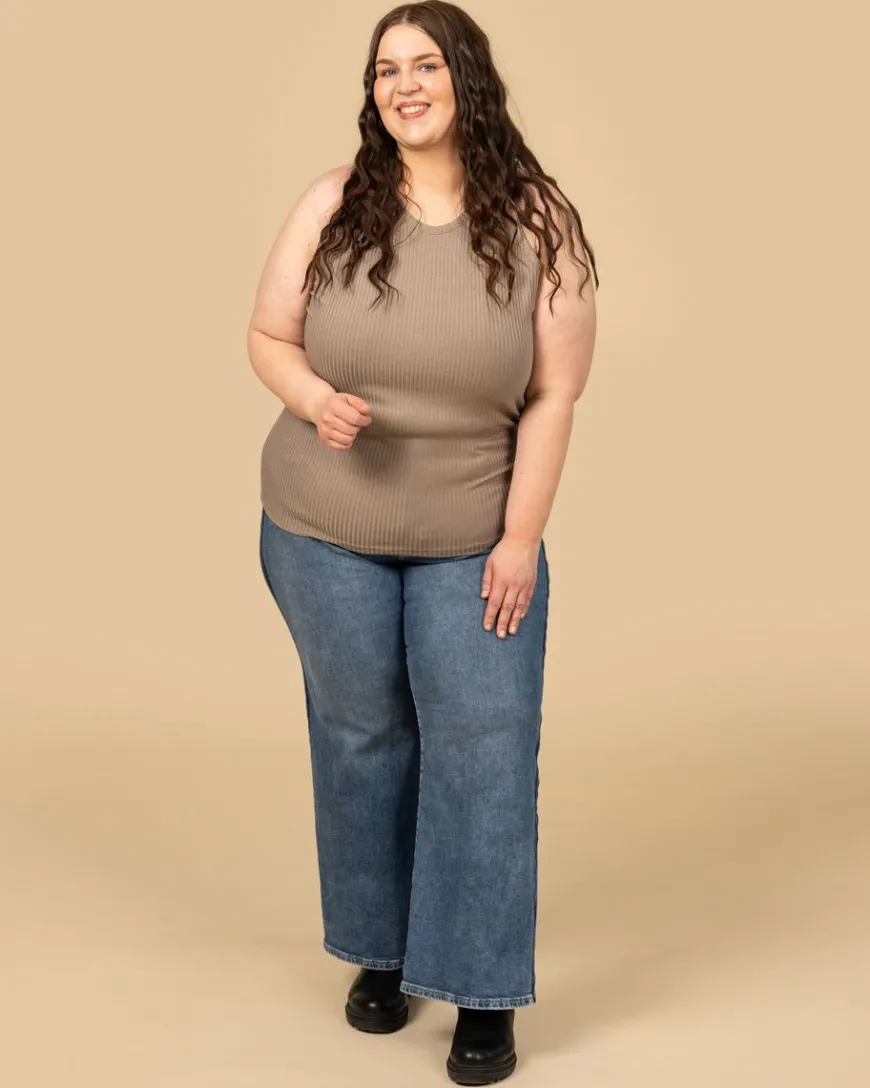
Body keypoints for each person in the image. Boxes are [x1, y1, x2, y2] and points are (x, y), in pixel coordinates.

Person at [247, 1, 598, 1082]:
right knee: (363, 736)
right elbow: (268, 334)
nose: (403, 84)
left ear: (466, 79)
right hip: (323, 530)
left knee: (484, 750)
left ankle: (481, 988)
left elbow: (554, 393)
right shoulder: (333, 203)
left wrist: (521, 537)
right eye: (385, 69)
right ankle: (383, 952)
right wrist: (313, 399)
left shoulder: (540, 219)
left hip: (473, 536)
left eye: (425, 64)